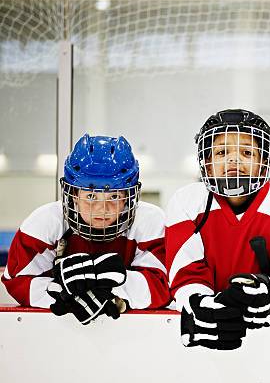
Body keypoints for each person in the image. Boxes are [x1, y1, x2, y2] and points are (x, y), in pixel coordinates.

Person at [165, 108, 270, 350]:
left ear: (263, 161)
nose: (233, 160)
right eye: (222, 152)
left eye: (246, 152)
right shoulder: (186, 202)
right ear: (208, 163)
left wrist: (269, 298)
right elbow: (186, 276)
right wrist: (202, 305)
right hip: (206, 335)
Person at [1, 134, 169, 324]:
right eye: (90, 196)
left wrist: (110, 293)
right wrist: (68, 296)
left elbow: (162, 284)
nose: (102, 209)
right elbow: (17, 280)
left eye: (114, 197)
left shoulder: (150, 221)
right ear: (73, 194)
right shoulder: (46, 221)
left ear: (129, 196)